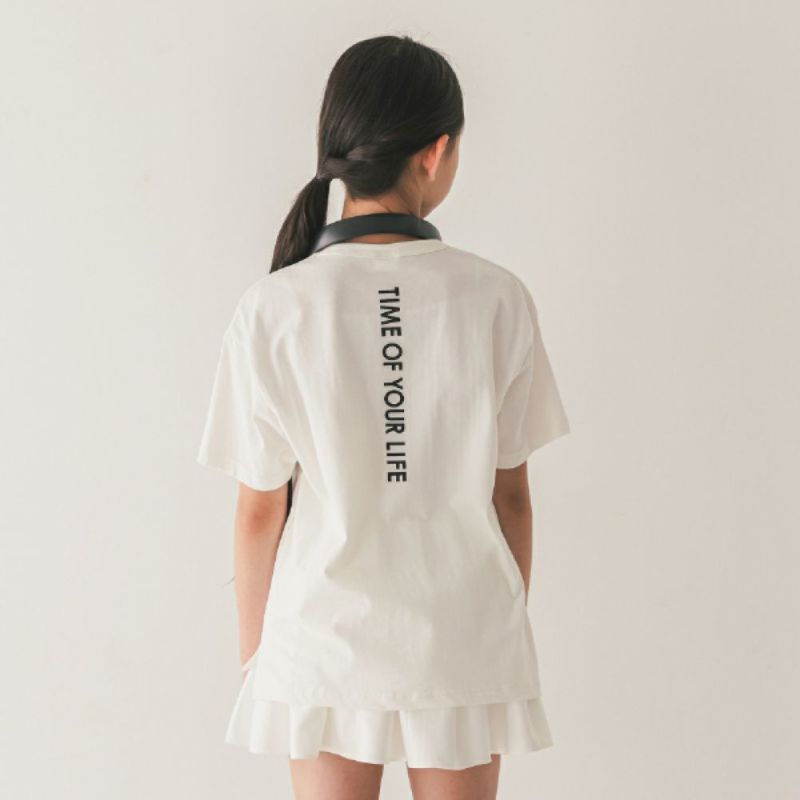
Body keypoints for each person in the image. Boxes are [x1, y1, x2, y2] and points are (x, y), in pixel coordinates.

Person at [196, 34, 571, 800]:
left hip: (321, 646)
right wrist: (496, 633)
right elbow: (512, 498)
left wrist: (258, 660)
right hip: (462, 638)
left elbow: (260, 510)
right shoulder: (496, 298)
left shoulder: (274, 307)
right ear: (436, 153)